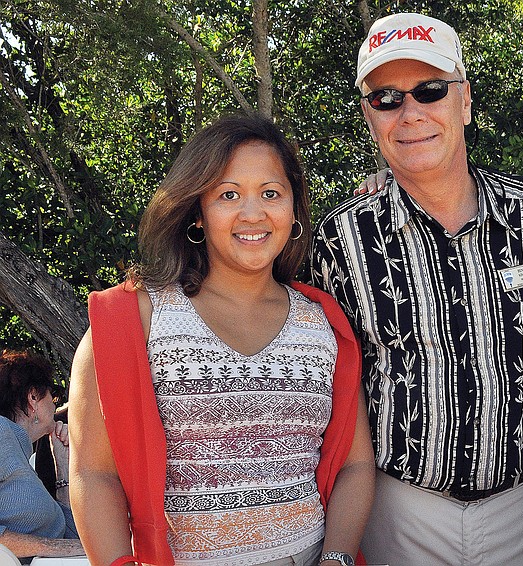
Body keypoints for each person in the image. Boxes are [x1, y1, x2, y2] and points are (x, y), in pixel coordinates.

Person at [311, 12, 523, 566]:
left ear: (465, 102)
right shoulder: (340, 238)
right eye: (387, 99)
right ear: (369, 117)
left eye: (430, 91)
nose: (411, 114)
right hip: (400, 513)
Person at [68, 113, 374, 566]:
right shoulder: (132, 321)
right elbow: (94, 475)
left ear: (293, 211)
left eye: (271, 193)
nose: (253, 213)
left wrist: (337, 559)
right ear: (197, 212)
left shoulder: (324, 324)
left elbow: (354, 465)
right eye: (228, 195)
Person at [0, 349, 84, 559]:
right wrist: (51, 547)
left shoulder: (21, 454)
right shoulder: (2, 433)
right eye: (53, 395)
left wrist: (63, 466)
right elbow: (65, 547)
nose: (55, 405)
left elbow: (69, 537)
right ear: (34, 397)